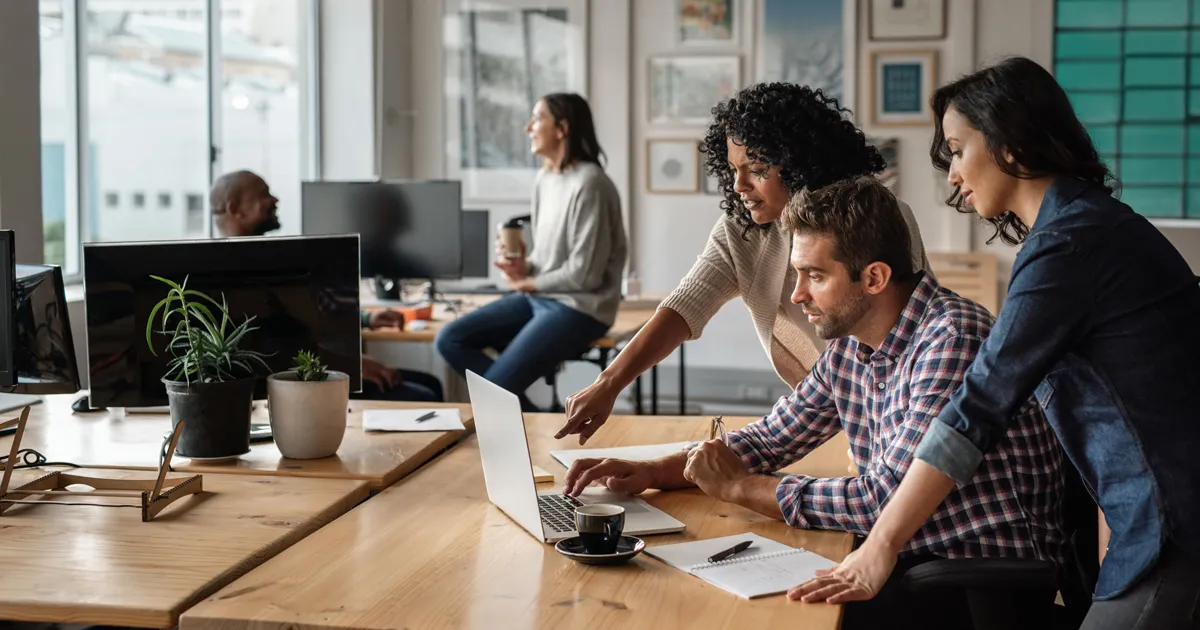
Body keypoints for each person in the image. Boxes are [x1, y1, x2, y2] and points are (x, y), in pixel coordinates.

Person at [791, 57, 1200, 630]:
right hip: (1152, 513)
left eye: (958, 149)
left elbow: (978, 406)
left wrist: (881, 544)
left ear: (1010, 141)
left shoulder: (1070, 247)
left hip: (1174, 517)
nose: (953, 174)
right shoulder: (1084, 229)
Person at [564, 176, 1065, 629]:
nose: (798, 295)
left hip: (968, 580)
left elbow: (878, 500)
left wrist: (741, 488)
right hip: (908, 558)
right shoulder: (853, 342)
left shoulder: (949, 338)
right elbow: (772, 437)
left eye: (814, 276)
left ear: (873, 278)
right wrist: (657, 471)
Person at [556, 83, 931, 444]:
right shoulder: (743, 229)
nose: (738, 185)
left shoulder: (875, 219)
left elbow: (908, 336)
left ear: (801, 162)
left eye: (756, 169)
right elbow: (685, 306)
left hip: (896, 406)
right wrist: (609, 383)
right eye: (733, 169)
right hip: (819, 409)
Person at [434, 93, 627, 411]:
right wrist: (524, 267)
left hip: (581, 308)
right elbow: (549, 260)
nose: (528, 127)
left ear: (561, 128)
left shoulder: (591, 184)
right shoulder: (545, 179)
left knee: (495, 389)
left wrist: (528, 283)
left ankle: (519, 419)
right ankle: (530, 418)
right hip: (541, 299)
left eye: (537, 118)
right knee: (450, 339)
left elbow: (585, 274)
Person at [210, 170, 443, 402]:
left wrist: (366, 320)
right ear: (235, 209)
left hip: (317, 365)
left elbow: (310, 311)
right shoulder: (232, 274)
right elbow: (274, 351)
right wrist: (350, 367)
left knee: (429, 383)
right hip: (296, 383)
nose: (275, 200)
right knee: (424, 395)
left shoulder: (265, 260)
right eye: (264, 195)